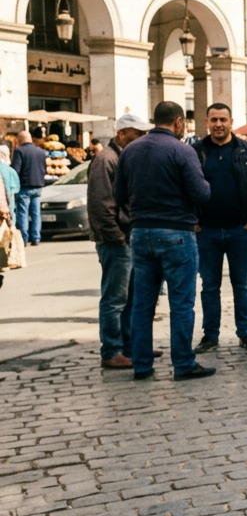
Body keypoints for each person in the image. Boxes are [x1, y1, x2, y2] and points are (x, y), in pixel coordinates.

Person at [115, 101, 215, 381]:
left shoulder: (130, 151)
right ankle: (183, 363)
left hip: (141, 233)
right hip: (176, 232)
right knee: (181, 303)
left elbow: (119, 195)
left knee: (142, 304)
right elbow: (201, 194)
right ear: (179, 122)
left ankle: (141, 365)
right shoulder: (182, 151)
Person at [193, 103, 247, 355]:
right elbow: (185, 186)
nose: (218, 124)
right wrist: (194, 220)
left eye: (223, 119)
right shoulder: (196, 151)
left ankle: (245, 333)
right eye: (214, 120)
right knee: (209, 286)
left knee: (242, 285)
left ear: (231, 122)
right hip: (207, 232)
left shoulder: (246, 151)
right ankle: (210, 335)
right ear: (207, 122)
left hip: (239, 230)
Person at [88, 114, 154, 370]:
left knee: (130, 297)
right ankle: (111, 349)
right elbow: (101, 205)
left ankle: (129, 346)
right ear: (122, 133)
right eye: (138, 133)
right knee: (115, 299)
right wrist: (117, 238)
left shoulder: (124, 157)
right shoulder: (106, 159)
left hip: (128, 237)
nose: (142, 138)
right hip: (116, 241)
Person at [11, 131, 46, 246]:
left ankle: (24, 238)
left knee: (23, 213)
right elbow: (43, 168)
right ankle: (36, 237)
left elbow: (15, 170)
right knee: (36, 213)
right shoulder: (40, 151)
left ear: (20, 140)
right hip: (38, 185)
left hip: (25, 185)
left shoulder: (19, 151)